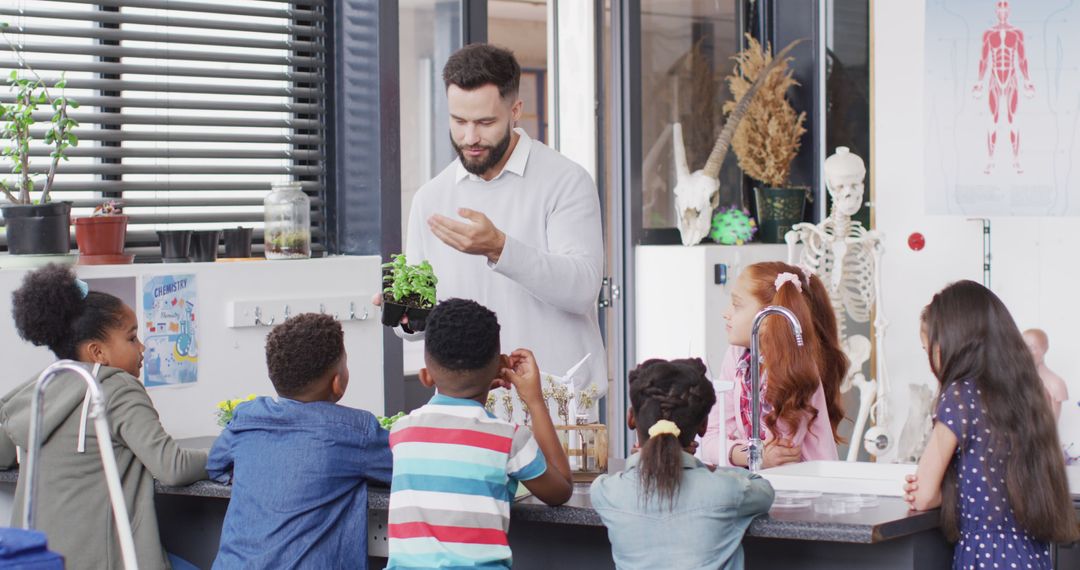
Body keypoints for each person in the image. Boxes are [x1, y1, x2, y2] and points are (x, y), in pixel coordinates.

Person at [390, 42, 606, 399]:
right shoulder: (431, 197)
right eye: (459, 121)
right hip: (468, 407)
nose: (470, 137)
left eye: (485, 122)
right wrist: (406, 314)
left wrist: (499, 248)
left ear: (516, 110)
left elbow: (582, 290)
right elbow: (419, 323)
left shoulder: (566, 181)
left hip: (560, 406)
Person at [0, 264, 206, 570]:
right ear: (98, 352)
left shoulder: (42, 387)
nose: (142, 348)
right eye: (132, 338)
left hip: (41, 560)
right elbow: (173, 467)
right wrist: (224, 453)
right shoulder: (117, 387)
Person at [903, 281, 1079, 569]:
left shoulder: (959, 396)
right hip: (1030, 556)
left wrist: (929, 490)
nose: (931, 362)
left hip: (987, 557)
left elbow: (923, 495)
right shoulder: (1026, 394)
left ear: (954, 342)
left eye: (929, 350)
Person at [385, 298, 572, 569]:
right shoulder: (508, 438)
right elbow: (561, 490)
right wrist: (534, 400)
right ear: (501, 367)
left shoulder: (401, 433)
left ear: (426, 377)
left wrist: (477, 392)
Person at [208, 313, 393, 569]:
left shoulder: (248, 417)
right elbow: (406, 466)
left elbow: (215, 464)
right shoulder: (354, 431)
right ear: (337, 382)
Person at [591, 358, 774, 570]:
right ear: (704, 426)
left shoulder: (606, 491)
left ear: (631, 418)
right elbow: (764, 490)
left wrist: (648, 456)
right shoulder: (727, 490)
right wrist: (705, 468)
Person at [700, 262, 842, 467]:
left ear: (768, 318)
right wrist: (751, 455)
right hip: (760, 478)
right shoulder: (737, 355)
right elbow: (710, 437)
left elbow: (781, 453)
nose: (726, 313)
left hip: (805, 486)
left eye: (737, 305)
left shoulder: (795, 366)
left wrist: (739, 451)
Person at [1022, 328, 1069, 420]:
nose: (1026, 352)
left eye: (1032, 348)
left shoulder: (1056, 384)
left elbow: (1052, 425)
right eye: (1023, 347)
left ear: (1045, 349)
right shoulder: (1017, 380)